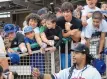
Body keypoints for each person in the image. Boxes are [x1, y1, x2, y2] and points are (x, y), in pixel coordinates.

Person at [32, 43, 101, 79]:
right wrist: (40, 75)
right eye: (73, 53)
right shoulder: (67, 71)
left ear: (84, 55)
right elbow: (52, 77)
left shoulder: (93, 72)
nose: (73, 55)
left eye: (76, 53)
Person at [56, 2, 83, 69]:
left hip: (75, 50)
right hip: (62, 49)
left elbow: (77, 39)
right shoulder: (59, 21)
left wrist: (68, 30)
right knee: (64, 68)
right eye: (63, 12)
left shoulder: (78, 22)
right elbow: (61, 35)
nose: (65, 14)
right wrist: (70, 32)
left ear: (71, 12)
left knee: (75, 68)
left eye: (67, 12)